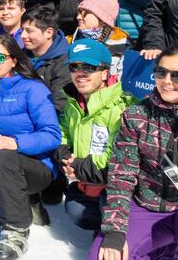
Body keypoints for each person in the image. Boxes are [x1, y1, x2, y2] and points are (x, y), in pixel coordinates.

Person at [88, 45, 178, 260]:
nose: (166, 81)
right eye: (161, 72)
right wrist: (115, 232)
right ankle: (168, 257)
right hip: (147, 207)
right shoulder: (137, 115)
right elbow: (121, 175)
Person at [0, 33, 61, 260]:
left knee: (2, 158)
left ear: (14, 61)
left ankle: (16, 230)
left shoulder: (32, 89)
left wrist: (15, 142)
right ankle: (21, 201)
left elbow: (52, 135)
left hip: (36, 169)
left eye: (0, 56)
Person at [57, 39, 133, 232]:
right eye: (74, 67)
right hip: (87, 178)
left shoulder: (121, 105)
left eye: (88, 67)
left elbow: (119, 156)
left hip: (118, 183)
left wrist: (78, 166)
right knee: (77, 211)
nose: (80, 73)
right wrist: (64, 155)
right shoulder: (74, 101)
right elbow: (63, 132)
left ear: (105, 73)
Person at [20, 5, 70, 114]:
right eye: (22, 30)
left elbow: (60, 104)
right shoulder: (19, 56)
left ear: (49, 32)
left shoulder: (64, 62)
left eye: (29, 31)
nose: (22, 36)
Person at [70, 0, 128, 83]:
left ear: (102, 18)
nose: (78, 17)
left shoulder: (121, 41)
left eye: (84, 13)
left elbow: (125, 80)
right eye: (78, 13)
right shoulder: (70, 41)